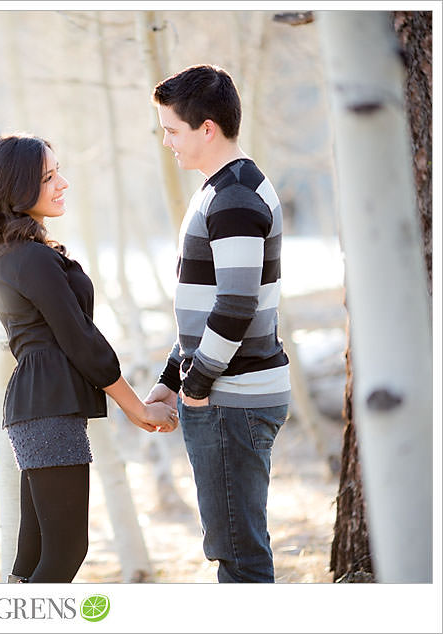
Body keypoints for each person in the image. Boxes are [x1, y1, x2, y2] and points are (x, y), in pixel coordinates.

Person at [0, 134, 178, 583]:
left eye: (58, 170)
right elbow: (81, 340)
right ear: (18, 186)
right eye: (48, 176)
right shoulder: (29, 258)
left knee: (34, 557)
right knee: (64, 552)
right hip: (48, 410)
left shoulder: (15, 254)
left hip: (40, 407)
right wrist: (136, 407)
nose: (63, 182)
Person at [145, 65, 292, 583]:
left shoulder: (233, 197)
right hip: (224, 393)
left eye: (172, 129)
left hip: (234, 398)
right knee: (232, 549)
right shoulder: (220, 190)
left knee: (239, 559)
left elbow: (235, 306)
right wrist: (171, 380)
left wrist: (196, 386)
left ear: (207, 128)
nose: (166, 141)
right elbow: (204, 308)